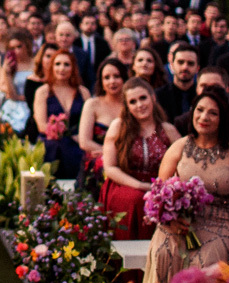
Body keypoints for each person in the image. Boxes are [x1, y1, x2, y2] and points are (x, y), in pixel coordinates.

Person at [142, 86, 229, 283]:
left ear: (223, 119)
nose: (204, 117)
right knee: (163, 252)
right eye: (200, 110)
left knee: (206, 262)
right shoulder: (179, 147)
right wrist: (170, 220)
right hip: (180, 224)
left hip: (222, 224)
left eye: (213, 113)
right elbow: (158, 192)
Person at [100, 78, 180, 240]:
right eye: (133, 101)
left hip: (158, 185)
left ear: (153, 98)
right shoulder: (118, 127)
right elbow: (110, 168)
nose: (139, 105)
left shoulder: (167, 130)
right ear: (127, 106)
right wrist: (140, 186)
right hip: (124, 183)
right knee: (136, 199)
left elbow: (182, 163)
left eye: (143, 98)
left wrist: (165, 187)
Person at [34, 49, 92, 178]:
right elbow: (41, 126)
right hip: (51, 143)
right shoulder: (43, 92)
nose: (62, 68)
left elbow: (90, 121)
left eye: (66, 64)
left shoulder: (83, 92)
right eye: (58, 64)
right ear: (52, 67)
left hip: (77, 143)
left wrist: (81, 137)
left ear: (73, 68)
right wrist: (64, 133)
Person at [174, 67, 229, 149]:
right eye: (204, 86)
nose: (209, 90)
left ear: (227, 89)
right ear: (197, 89)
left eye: (216, 86)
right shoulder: (182, 123)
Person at [78, 56, 127, 187]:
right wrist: (108, 154)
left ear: (124, 78)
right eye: (107, 77)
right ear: (101, 82)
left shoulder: (131, 105)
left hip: (126, 160)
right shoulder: (92, 104)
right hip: (97, 160)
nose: (112, 81)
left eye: (116, 76)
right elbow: (84, 142)